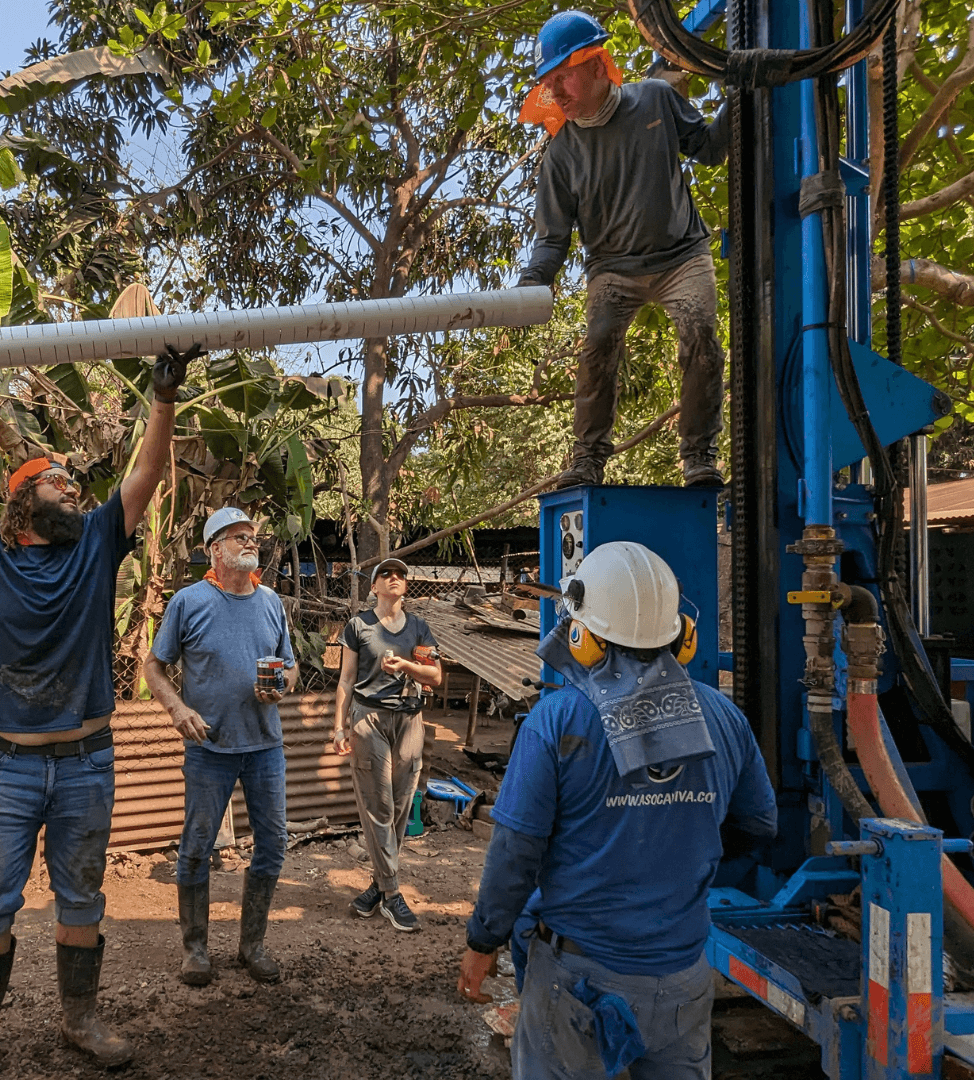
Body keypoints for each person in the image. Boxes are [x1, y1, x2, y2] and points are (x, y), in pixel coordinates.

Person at [458, 542, 777, 1079]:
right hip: (683, 976)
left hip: (577, 981)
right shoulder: (725, 718)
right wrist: (678, 879)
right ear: (682, 636)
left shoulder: (556, 722)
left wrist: (484, 941)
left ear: (581, 638)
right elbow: (759, 825)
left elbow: (516, 851)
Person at [0, 343, 201, 1066]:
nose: (72, 486)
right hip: (8, 767)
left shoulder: (96, 545)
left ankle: (79, 1021)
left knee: (81, 899)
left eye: (73, 480)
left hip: (86, 764)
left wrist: (163, 398)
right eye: (56, 481)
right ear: (21, 499)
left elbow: (142, 473)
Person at [516, 11, 730, 489]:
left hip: (680, 256)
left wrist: (740, 89)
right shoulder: (561, 154)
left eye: (563, 77)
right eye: (549, 83)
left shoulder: (655, 99)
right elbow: (552, 240)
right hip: (613, 268)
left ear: (596, 65)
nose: (556, 93)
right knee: (596, 349)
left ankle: (698, 457)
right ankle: (587, 460)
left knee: (701, 339)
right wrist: (529, 288)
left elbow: (712, 149)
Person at [144, 507, 297, 987]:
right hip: (209, 747)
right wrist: (177, 709)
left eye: (252, 536)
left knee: (272, 844)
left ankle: (252, 945)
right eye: (238, 536)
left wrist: (284, 686)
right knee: (196, 848)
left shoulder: (272, 602)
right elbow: (154, 667)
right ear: (215, 549)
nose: (250, 542)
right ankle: (195, 950)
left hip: (264, 747)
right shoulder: (189, 602)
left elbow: (289, 665)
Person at [333, 558, 441, 933]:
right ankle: (393, 894)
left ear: (406, 587)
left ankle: (377, 887)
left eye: (400, 575)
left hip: (410, 719)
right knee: (377, 805)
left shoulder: (419, 628)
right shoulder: (358, 626)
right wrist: (338, 727)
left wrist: (407, 667)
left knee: (398, 806)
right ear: (374, 586)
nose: (394, 579)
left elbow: (436, 675)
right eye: (386, 574)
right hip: (369, 719)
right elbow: (346, 681)